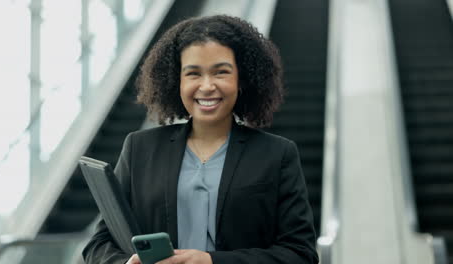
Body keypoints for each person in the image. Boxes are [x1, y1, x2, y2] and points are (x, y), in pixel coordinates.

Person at [82, 15, 318, 264]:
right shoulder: (139, 149)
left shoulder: (277, 154)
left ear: (242, 79)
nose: (207, 86)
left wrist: (211, 261)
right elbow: (99, 243)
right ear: (177, 81)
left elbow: (300, 254)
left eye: (221, 72)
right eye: (193, 74)